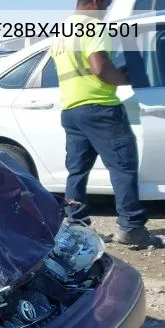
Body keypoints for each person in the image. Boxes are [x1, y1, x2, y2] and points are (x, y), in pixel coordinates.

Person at [51, 0, 161, 248]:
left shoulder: (62, 31)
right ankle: (131, 227)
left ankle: (76, 228)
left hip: (71, 109)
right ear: (94, 2)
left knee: (77, 172)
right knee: (123, 167)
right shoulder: (93, 26)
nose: (108, 8)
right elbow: (99, 66)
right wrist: (122, 77)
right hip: (100, 107)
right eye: (106, 3)